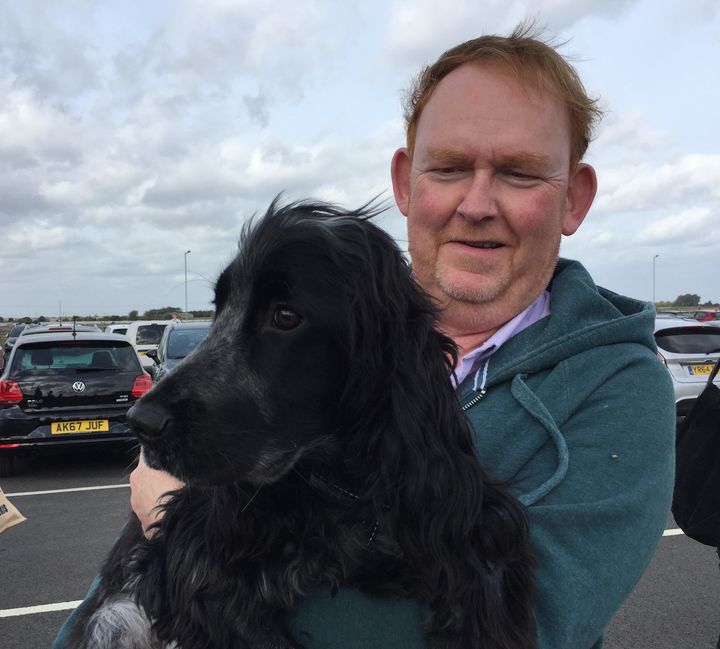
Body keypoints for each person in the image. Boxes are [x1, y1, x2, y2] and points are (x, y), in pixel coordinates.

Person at [53, 23, 675, 649]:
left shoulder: (617, 386)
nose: (478, 203)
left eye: (519, 172)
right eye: (451, 166)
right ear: (407, 183)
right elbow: (110, 604)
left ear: (574, 198)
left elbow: (524, 629)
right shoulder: (343, 310)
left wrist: (167, 527)